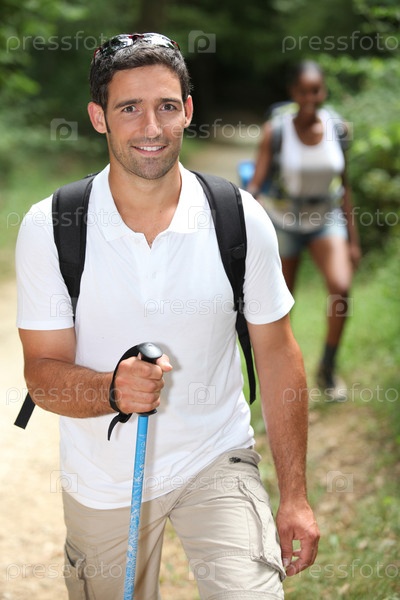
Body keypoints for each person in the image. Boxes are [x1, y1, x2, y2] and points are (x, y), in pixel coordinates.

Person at [16, 33, 319, 599]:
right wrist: (111, 390)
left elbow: (279, 354)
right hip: (104, 481)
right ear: (99, 118)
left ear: (188, 111)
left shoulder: (238, 216)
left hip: (217, 457)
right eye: (129, 108)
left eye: (166, 106)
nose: (151, 127)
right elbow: (42, 375)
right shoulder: (50, 227)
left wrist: (295, 497)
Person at [248, 60, 361, 402]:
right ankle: (282, 377)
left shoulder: (337, 128)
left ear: (323, 90)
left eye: (316, 90)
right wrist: (242, 216)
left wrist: (354, 241)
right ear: (293, 92)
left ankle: (327, 367)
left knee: (341, 287)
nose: (310, 97)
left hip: (326, 218)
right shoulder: (276, 131)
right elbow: (256, 183)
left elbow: (345, 186)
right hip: (284, 220)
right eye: (303, 91)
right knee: (282, 305)